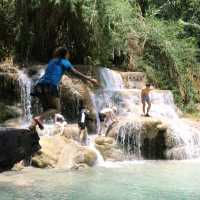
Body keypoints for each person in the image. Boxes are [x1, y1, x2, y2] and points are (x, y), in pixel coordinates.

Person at [30, 47, 98, 130]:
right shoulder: (65, 62)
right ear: (65, 54)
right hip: (50, 85)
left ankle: (32, 125)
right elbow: (75, 73)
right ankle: (38, 118)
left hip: (39, 85)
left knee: (47, 109)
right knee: (56, 109)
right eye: (68, 54)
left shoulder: (52, 61)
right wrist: (89, 79)